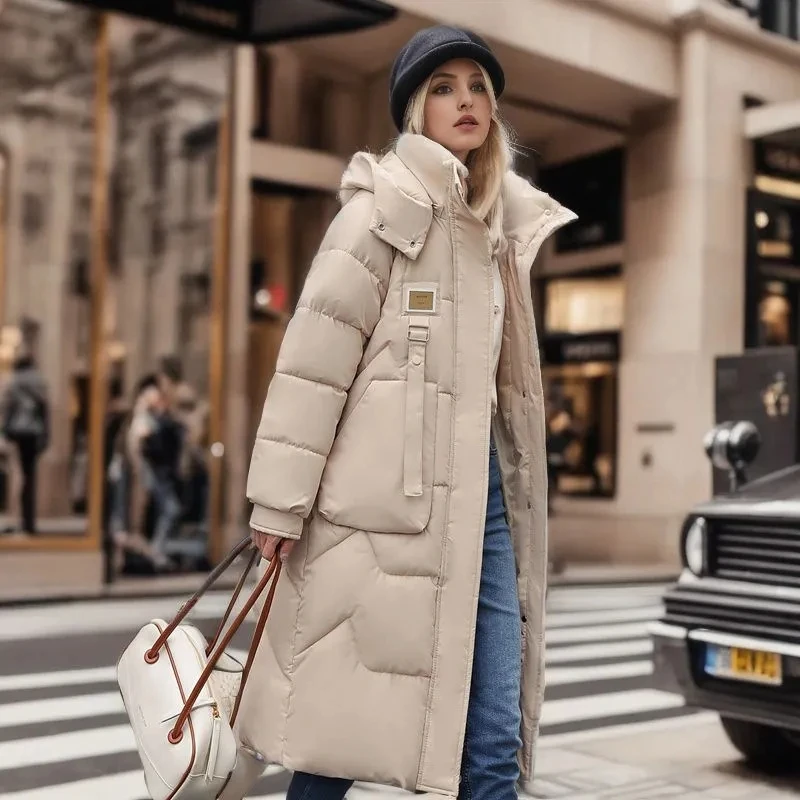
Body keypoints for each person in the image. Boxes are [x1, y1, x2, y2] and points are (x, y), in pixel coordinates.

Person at [239, 25, 576, 800]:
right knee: (335, 742)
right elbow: (313, 363)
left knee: (490, 747)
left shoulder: (501, 229)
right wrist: (279, 502)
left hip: (486, 507)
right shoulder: (378, 214)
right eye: (444, 87)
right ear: (414, 110)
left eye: (478, 87)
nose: (466, 101)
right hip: (377, 512)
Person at [0, 353, 49, 535]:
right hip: (34, 432)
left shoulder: (13, 382)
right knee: (30, 477)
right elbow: (44, 411)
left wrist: (5, 431)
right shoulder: (40, 382)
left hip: (17, 432)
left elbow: (7, 408)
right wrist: (45, 435)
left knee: (20, 476)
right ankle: (29, 521)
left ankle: (21, 518)